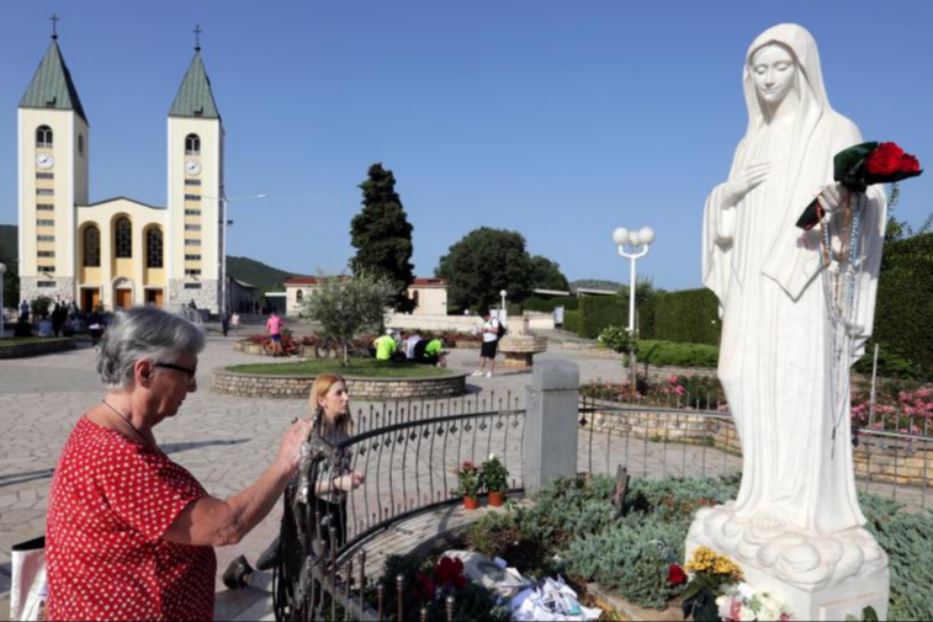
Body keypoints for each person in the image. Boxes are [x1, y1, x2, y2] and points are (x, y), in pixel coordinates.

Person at [699, 24, 886, 538]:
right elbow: (727, 215)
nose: (769, 79)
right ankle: (760, 491)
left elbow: (865, 202)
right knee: (737, 372)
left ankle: (799, 509)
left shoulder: (835, 130)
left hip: (804, 281)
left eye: (780, 67)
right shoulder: (748, 142)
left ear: (803, 69)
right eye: (759, 69)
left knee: (797, 383)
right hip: (751, 282)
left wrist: (843, 203)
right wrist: (726, 196)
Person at [45, 307, 313, 620]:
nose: (193, 387)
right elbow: (225, 526)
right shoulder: (116, 455)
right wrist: (285, 462)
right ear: (144, 372)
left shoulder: (115, 429)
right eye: (187, 373)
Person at [472, 310, 499, 378]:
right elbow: (484, 331)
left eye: (483, 317)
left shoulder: (494, 320)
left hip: (492, 340)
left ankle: (490, 372)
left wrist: (487, 330)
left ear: (487, 315)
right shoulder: (485, 322)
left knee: (490, 357)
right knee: (482, 356)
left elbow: (496, 330)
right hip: (485, 341)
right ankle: (480, 371)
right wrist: (478, 332)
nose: (483, 318)